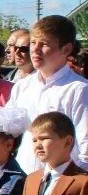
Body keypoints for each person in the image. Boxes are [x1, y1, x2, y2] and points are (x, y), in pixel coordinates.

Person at [7, 15, 88, 173]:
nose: (35, 50)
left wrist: (76, 182)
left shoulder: (78, 89)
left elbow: (86, 145)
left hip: (62, 180)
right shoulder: (22, 87)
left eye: (44, 44)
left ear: (66, 49)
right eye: (32, 42)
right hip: (25, 178)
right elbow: (8, 129)